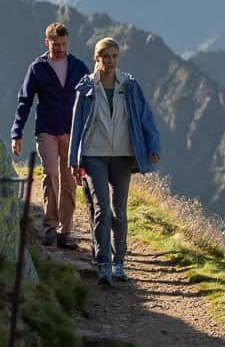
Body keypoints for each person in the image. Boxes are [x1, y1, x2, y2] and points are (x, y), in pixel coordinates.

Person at [68, 35, 162, 288]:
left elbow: (145, 116)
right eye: (105, 57)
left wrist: (153, 145)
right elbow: (77, 124)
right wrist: (74, 161)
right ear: (96, 59)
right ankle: (103, 264)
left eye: (114, 56)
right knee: (101, 210)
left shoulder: (129, 86)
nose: (110, 61)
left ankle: (119, 261)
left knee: (119, 210)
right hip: (94, 154)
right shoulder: (86, 88)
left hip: (122, 155)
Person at [10, 21, 90, 248]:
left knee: (69, 180)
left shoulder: (78, 67)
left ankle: (66, 232)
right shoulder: (37, 68)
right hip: (46, 130)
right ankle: (50, 228)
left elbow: (91, 100)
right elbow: (25, 101)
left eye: (64, 44)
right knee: (51, 174)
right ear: (47, 42)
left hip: (72, 132)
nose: (60, 49)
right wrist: (17, 133)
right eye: (56, 45)